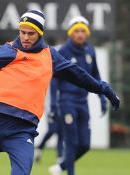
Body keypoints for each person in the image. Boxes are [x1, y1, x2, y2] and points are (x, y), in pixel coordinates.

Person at [0, 10, 119, 175]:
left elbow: (78, 75)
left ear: (40, 33)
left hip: (23, 131)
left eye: (31, 33)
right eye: (22, 32)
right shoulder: (10, 50)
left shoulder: (51, 56)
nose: (25, 37)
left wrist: (104, 89)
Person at [48, 16, 108, 175]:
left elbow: (96, 75)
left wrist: (102, 97)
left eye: (83, 31)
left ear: (87, 33)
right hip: (67, 101)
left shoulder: (90, 50)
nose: (80, 34)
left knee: (85, 145)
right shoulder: (63, 51)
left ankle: (61, 167)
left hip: (83, 102)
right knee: (72, 142)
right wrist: (53, 105)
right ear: (70, 33)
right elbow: (53, 80)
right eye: (77, 31)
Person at [34, 78, 64, 164]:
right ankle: (39, 148)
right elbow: (49, 96)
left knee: (61, 132)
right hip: (51, 109)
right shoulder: (51, 77)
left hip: (62, 109)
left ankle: (59, 157)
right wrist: (51, 110)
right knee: (52, 130)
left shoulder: (63, 77)